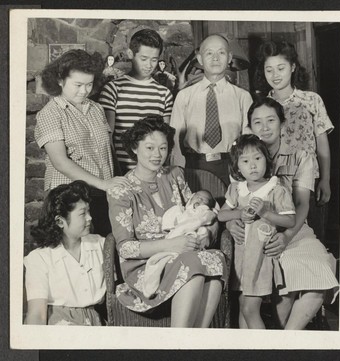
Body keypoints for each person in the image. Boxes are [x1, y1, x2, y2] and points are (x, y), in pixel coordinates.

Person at [227, 97, 339, 330]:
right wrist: (231, 224)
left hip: (294, 230)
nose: (264, 127)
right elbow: (236, 203)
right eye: (257, 122)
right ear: (250, 127)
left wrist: (286, 236)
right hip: (255, 236)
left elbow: (302, 205)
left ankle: (286, 341)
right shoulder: (242, 158)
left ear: (282, 123)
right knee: (266, 292)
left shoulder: (301, 156)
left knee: (319, 271)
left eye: (271, 120)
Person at [106, 115, 227, 327]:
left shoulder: (175, 175)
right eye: (150, 148)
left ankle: (198, 342)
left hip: (185, 254)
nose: (157, 155)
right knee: (193, 265)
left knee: (215, 261)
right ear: (134, 148)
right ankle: (177, 342)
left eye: (163, 148)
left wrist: (207, 235)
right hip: (146, 267)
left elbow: (197, 213)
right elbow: (125, 249)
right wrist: (172, 245)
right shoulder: (121, 190)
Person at [34, 49, 130, 236]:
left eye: (89, 84)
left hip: (101, 195)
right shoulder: (50, 114)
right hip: (69, 198)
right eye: (78, 85)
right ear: (60, 80)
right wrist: (103, 184)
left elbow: (107, 151)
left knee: (104, 250)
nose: (84, 90)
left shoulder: (97, 109)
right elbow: (60, 162)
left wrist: (113, 184)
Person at [254, 41, 334, 242]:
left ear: (293, 67)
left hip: (309, 181)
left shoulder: (311, 100)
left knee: (313, 239)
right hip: (273, 182)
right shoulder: (262, 105)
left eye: (280, 68)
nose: (275, 75)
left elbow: (322, 143)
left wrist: (325, 179)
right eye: (269, 70)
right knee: (276, 241)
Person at [218, 134, 295, 329]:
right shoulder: (237, 189)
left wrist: (265, 212)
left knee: (250, 309)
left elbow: (290, 220)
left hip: (261, 260)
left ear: (266, 160)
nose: (252, 166)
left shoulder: (276, 189)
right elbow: (221, 215)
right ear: (237, 167)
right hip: (242, 261)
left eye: (257, 159)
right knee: (244, 307)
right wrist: (238, 213)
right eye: (245, 161)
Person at [169, 34, 253, 185]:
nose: (215, 58)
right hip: (194, 166)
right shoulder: (184, 96)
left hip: (231, 166)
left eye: (221, 52)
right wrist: (179, 175)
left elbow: (248, 141)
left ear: (229, 58)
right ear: (200, 59)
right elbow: (175, 140)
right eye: (209, 53)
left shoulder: (243, 97)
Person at [24, 181, 105, 325]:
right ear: (60, 222)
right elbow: (37, 314)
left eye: (89, 211)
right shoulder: (39, 259)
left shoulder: (100, 245)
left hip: (95, 323)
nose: (90, 217)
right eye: (82, 214)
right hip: (59, 325)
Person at [99, 29, 174, 174]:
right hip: (121, 170)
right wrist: (116, 172)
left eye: (154, 60)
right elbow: (106, 138)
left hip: (152, 171)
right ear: (130, 54)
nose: (149, 65)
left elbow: (166, 138)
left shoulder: (164, 94)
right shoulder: (113, 89)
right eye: (144, 59)